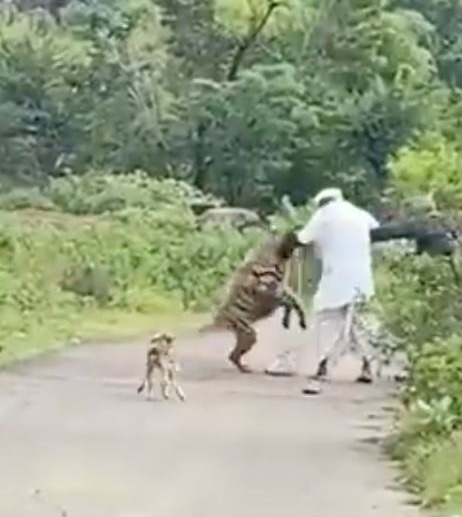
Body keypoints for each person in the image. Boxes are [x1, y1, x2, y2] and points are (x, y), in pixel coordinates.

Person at [266, 187, 380, 394]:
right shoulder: (359, 213)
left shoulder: (324, 216)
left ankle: (322, 366)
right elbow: (376, 230)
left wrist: (284, 248)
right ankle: (367, 366)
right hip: (362, 278)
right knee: (359, 323)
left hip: (335, 278)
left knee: (326, 322)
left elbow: (302, 239)